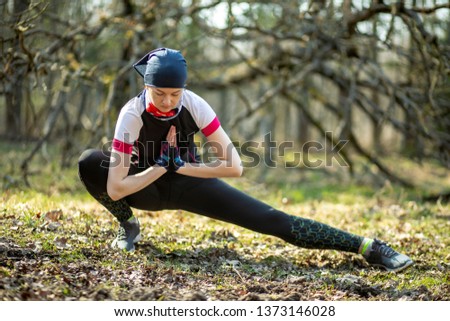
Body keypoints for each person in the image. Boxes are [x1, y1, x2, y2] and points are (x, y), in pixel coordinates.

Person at [78, 48, 413, 272]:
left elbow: (234, 166)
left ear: (184, 89)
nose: (167, 102)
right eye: (159, 93)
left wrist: (179, 166)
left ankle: (369, 247)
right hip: (144, 188)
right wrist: (161, 165)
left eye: (174, 94)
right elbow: (117, 188)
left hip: (189, 183)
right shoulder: (131, 114)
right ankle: (128, 226)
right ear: (146, 85)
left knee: (272, 219)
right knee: (90, 162)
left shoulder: (195, 105)